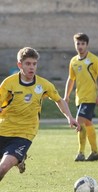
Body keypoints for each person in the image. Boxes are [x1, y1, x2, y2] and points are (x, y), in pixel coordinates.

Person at [0, 47, 79, 181]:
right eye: (28, 64)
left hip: (24, 134)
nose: (32, 67)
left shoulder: (43, 85)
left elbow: (59, 100)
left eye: (34, 64)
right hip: (3, 130)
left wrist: (69, 117)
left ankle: (18, 156)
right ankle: (20, 159)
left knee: (2, 168)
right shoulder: (9, 83)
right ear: (20, 65)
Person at [64, 33, 98, 162]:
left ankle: (81, 153)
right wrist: (66, 96)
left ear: (87, 45)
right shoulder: (74, 61)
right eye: (78, 43)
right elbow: (71, 79)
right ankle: (95, 152)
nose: (80, 46)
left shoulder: (94, 59)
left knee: (79, 121)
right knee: (88, 123)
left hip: (90, 97)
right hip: (79, 98)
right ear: (75, 45)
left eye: (83, 44)